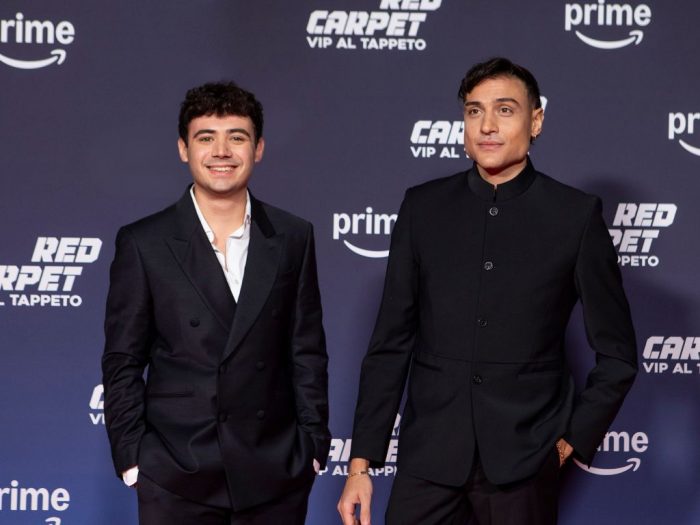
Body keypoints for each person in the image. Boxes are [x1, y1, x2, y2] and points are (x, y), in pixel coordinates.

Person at [338, 57, 638, 525]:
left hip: (524, 464)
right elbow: (390, 343)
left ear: (536, 121)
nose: (487, 126)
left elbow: (617, 355)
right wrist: (360, 464)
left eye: (505, 110)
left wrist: (570, 443)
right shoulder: (423, 207)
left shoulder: (574, 216)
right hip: (429, 459)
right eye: (474, 111)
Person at [102, 81, 330, 525]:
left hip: (274, 473)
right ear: (183, 149)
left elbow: (307, 351)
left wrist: (313, 447)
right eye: (206, 137)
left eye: (237, 137)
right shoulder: (144, 242)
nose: (221, 151)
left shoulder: (293, 236)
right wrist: (133, 459)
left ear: (258, 148)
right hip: (175, 474)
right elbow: (122, 360)